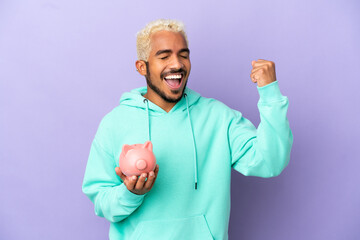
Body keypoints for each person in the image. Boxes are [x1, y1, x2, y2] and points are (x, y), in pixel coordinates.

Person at [82, 19, 293, 240]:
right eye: (164, 56)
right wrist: (130, 193)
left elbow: (271, 161)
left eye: (183, 55)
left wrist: (270, 94)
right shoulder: (115, 123)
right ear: (142, 67)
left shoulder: (218, 117)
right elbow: (103, 204)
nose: (177, 64)